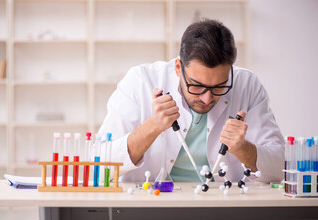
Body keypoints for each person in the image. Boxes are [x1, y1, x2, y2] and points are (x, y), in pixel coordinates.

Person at [98, 18, 284, 183]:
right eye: (196, 85)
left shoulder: (247, 85)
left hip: (224, 206)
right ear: (178, 68)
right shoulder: (140, 81)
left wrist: (244, 149)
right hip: (150, 206)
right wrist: (152, 127)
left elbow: (281, 167)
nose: (207, 97)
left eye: (219, 86)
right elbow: (98, 166)